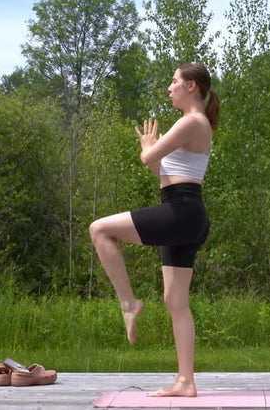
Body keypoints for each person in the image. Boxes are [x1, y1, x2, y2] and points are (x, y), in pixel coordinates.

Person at [89, 63, 219, 398]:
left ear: (192, 86)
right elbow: (162, 173)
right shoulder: (197, 124)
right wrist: (150, 151)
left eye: (174, 81)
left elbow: (148, 158)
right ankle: (186, 382)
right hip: (186, 212)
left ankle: (129, 304)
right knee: (176, 301)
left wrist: (148, 146)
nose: (169, 87)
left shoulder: (191, 121)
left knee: (100, 230)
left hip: (181, 212)